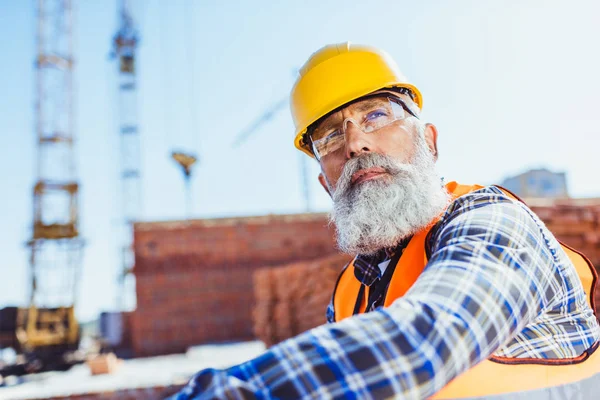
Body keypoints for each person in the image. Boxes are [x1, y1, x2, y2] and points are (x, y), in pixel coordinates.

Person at [171, 43, 600, 399]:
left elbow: (426, 341)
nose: (356, 143)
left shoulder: (493, 223)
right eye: (331, 136)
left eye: (376, 115)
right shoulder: (349, 293)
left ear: (429, 144)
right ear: (327, 185)